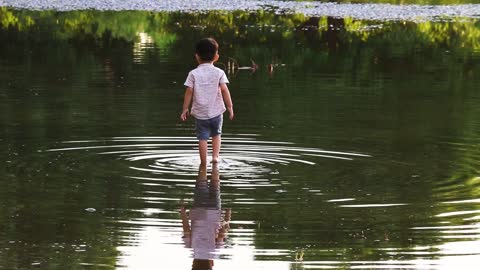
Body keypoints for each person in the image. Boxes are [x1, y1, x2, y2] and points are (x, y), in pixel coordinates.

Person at [180, 38, 234, 165]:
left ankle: (203, 162)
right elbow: (225, 90)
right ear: (216, 57)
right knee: (216, 135)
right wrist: (230, 107)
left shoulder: (193, 73)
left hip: (200, 114)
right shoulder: (219, 72)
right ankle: (215, 157)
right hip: (217, 112)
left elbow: (189, 91)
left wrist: (185, 109)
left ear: (197, 57)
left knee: (202, 138)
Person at [180, 164, 232, 270]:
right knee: (201, 182)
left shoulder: (214, 252)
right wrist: (182, 211)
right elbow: (186, 229)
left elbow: (222, 232)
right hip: (199, 210)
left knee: (215, 184)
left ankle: (215, 162)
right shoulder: (191, 249)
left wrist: (228, 215)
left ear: (211, 265)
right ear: (193, 264)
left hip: (214, 211)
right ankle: (204, 162)